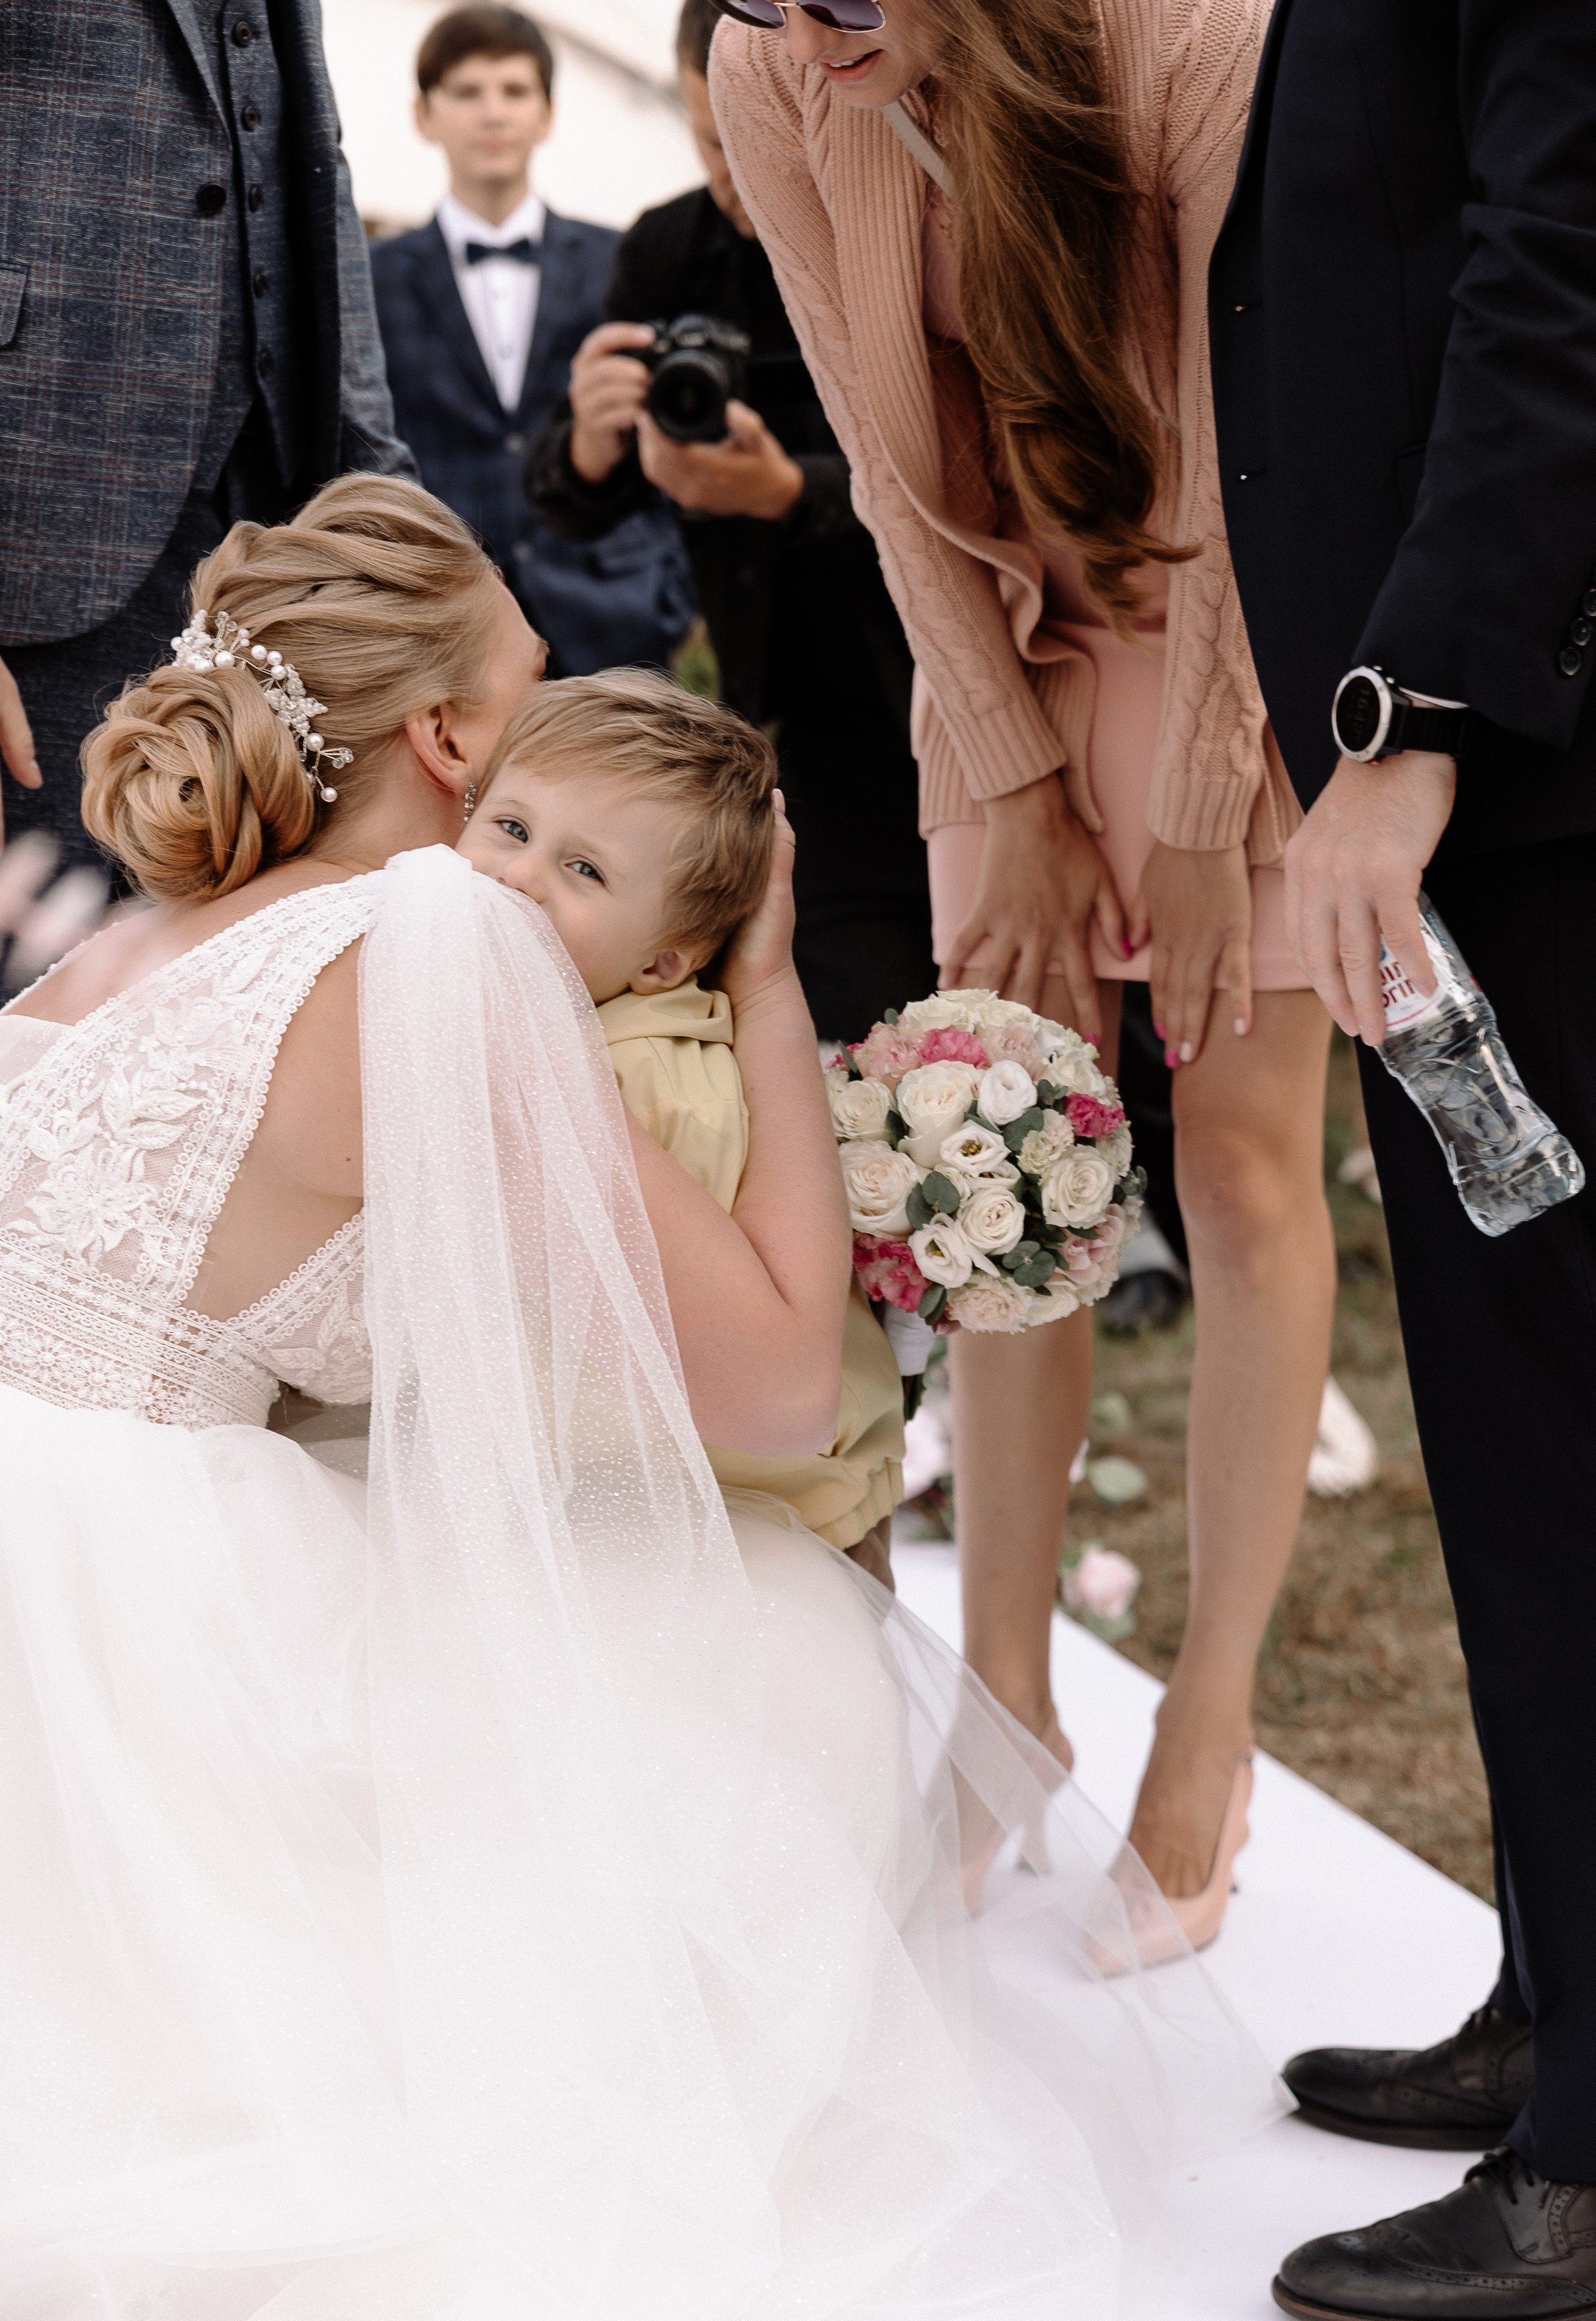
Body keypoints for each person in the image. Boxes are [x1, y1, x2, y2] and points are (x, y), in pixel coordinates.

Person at [0, 472, 1279, 2311]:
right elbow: (766, 1393)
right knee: (767, 1635)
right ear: (448, 738)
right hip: (116, 1611)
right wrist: (760, 979)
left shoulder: (113, 944)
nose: (575, 696)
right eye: (537, 675)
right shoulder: (437, 948)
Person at [708, 0, 1336, 1937]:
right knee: (1006, 1163)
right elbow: (890, 474)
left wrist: (1215, 806)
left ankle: (1209, 1721)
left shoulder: (1180, 6)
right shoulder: (770, 66)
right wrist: (1012, 776)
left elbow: (1277, 426)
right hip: (993, 639)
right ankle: (1007, 1697)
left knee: (1233, 1163)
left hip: (1235, 614)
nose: (801, 40)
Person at [1208, 0, 1596, 2309]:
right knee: (1506, 1444)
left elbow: (1558, 252)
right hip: (1460, 785)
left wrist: (1412, 712)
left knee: (1562, 1455)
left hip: (1510, 781)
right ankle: (1556, 2003)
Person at [527, 0, 933, 1045]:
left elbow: (967, 473)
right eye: (708, 144)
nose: (733, 175)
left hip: (941, 677)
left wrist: (792, 492)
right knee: (864, 1037)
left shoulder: (898, 221)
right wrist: (588, 436)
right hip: (796, 718)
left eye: (746, 137)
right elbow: (575, 506)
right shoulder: (668, 250)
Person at [459, 670, 908, 1583]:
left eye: (584, 871)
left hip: (718, 1542)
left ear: (664, 962)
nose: (519, 878)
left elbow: (725, 1381)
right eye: (511, 828)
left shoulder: (652, 1090)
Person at [0, 0, 411, 880]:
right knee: (37, 984)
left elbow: (310, 162)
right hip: (38, 532)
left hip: (264, 530)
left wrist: (388, 499)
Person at [369, 4, 695, 681]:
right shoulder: (372, 278)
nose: (493, 114)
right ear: (423, 116)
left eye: (515, 92)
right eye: (466, 92)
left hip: (615, 612)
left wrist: (670, 586)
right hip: (445, 626)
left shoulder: (621, 259)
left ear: (546, 115)